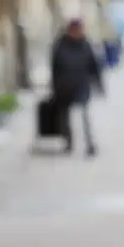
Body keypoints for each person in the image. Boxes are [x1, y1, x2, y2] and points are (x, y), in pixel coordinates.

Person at [49, 19, 103, 157]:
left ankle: (89, 144)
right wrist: (54, 87)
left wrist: (99, 84)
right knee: (64, 116)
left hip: (81, 85)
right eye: (75, 30)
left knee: (84, 115)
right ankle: (69, 142)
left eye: (80, 30)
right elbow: (54, 68)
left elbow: (94, 65)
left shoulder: (85, 45)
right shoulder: (60, 45)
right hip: (64, 87)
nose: (78, 33)